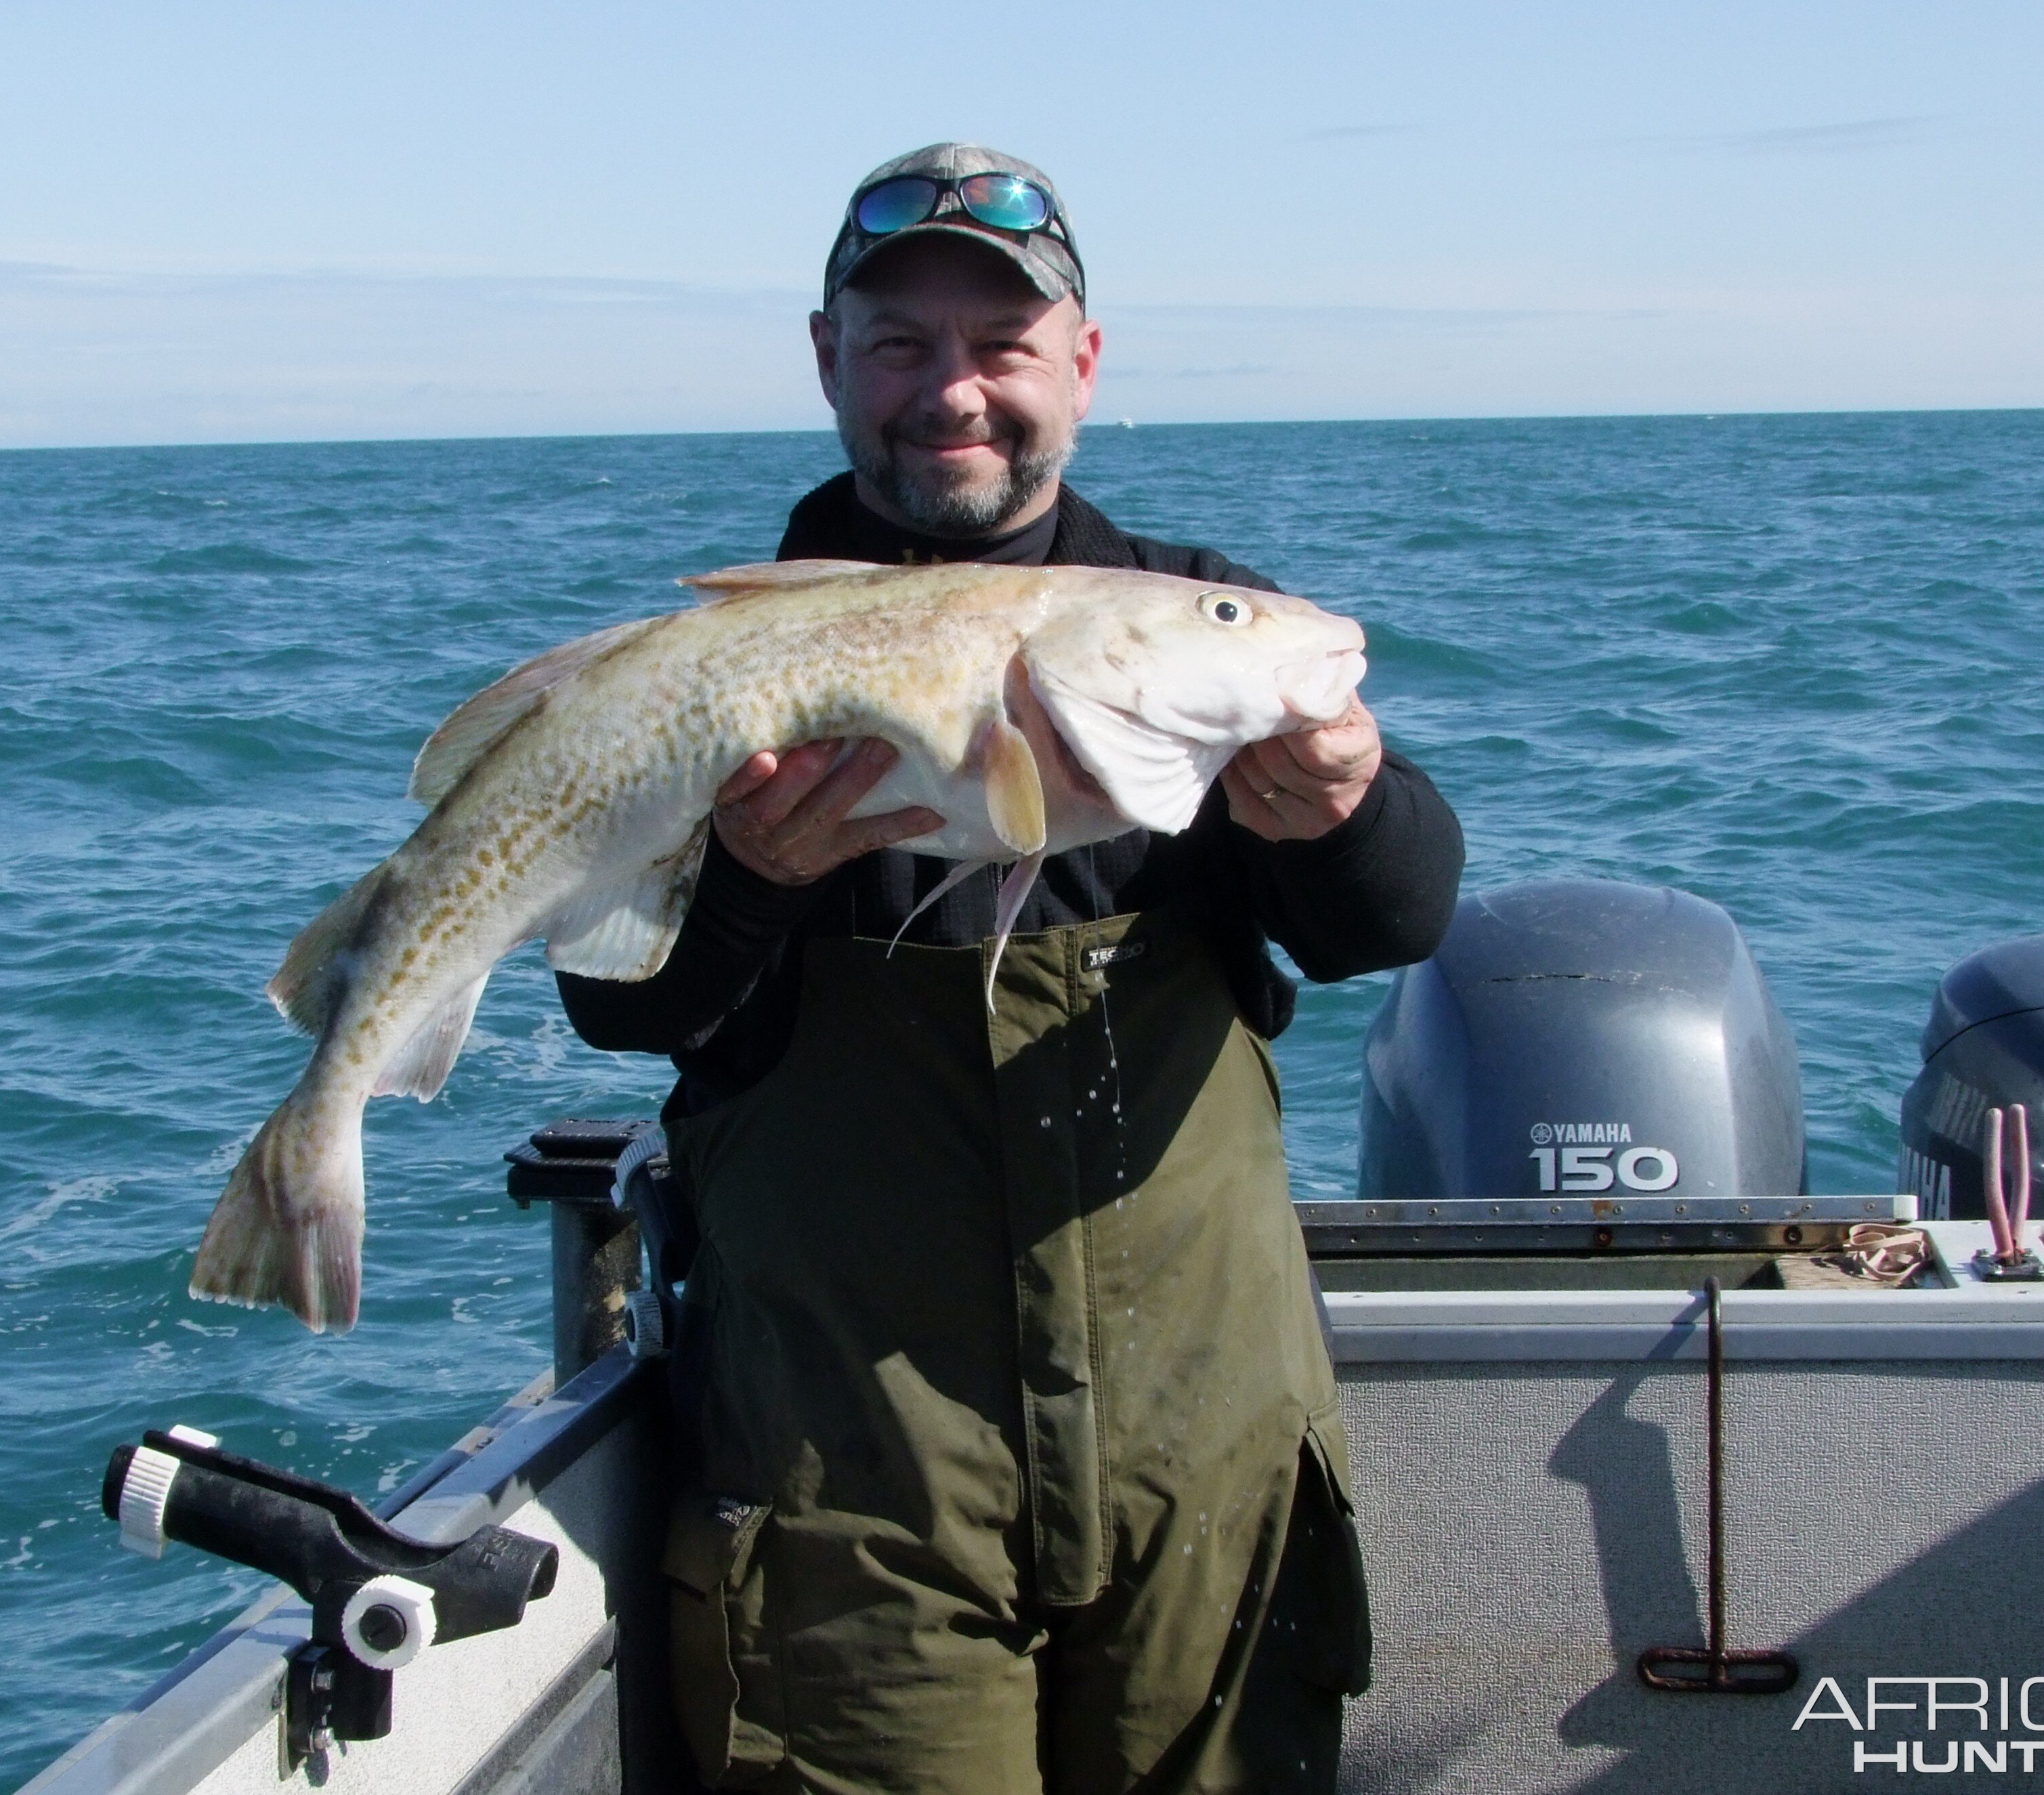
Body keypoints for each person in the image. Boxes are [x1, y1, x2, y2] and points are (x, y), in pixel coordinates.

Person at [558, 143, 1464, 1794]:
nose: (951, 392)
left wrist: (1336, 809)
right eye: (898, 342)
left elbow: (1383, 925)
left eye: (1000, 344)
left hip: (1198, 1458)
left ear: (1083, 366)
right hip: (851, 1488)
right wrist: (752, 887)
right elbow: (620, 1008)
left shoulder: (1194, 626)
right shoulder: (725, 663)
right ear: (826, 359)